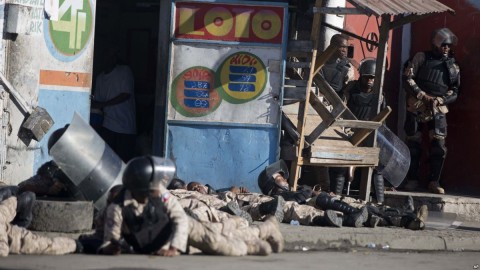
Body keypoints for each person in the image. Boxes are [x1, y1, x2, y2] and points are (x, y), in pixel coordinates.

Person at [100, 155, 284, 256]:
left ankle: (256, 240)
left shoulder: (159, 193)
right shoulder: (118, 207)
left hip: (184, 230)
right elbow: (111, 237)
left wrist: (174, 248)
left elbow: (179, 218)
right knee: (225, 234)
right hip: (159, 242)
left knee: (223, 247)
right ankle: (264, 230)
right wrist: (111, 247)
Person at [402, 28, 460, 194]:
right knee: (413, 142)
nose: (446, 48)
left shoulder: (453, 66)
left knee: (439, 147)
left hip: (438, 106)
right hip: (417, 104)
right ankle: (412, 179)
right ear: (436, 43)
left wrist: (440, 100)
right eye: (444, 45)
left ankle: (434, 181)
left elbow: (455, 91)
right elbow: (407, 78)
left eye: (448, 45)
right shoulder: (421, 57)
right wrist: (422, 95)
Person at [340, 58, 386, 204]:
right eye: (367, 77)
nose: (369, 81)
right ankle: (337, 196)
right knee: (341, 165)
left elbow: (383, 119)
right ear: (361, 76)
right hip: (350, 133)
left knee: (377, 167)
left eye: (372, 78)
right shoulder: (350, 90)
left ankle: (380, 202)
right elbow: (342, 109)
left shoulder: (379, 95)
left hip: (371, 135)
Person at [91, 47, 136, 162]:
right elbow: (98, 102)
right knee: (108, 162)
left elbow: (126, 95)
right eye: (105, 57)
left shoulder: (124, 71)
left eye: (111, 56)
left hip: (125, 127)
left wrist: (104, 104)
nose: (108, 59)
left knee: (124, 162)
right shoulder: (100, 78)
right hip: (108, 125)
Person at [0, 195, 82, 257]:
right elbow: (3, 249)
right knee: (39, 244)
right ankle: (78, 244)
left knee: (24, 198)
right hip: (11, 236)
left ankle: (77, 244)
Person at [319, 33, 355, 99]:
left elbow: (347, 91)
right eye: (342, 47)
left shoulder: (347, 67)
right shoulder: (318, 63)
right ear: (333, 46)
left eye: (346, 47)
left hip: (335, 103)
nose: (345, 50)